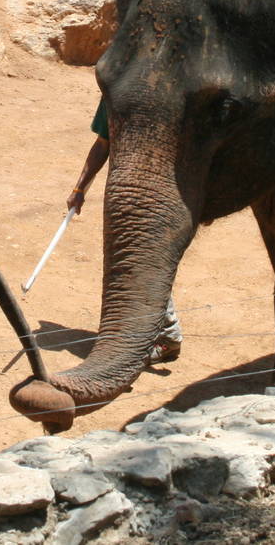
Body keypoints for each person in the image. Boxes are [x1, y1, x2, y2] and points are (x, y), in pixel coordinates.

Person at [69, 97, 183, 365]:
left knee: (143, 262)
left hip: (158, 191)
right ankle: (153, 334)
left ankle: (167, 336)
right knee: (132, 262)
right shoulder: (116, 88)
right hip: (126, 193)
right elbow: (103, 143)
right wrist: (79, 189)